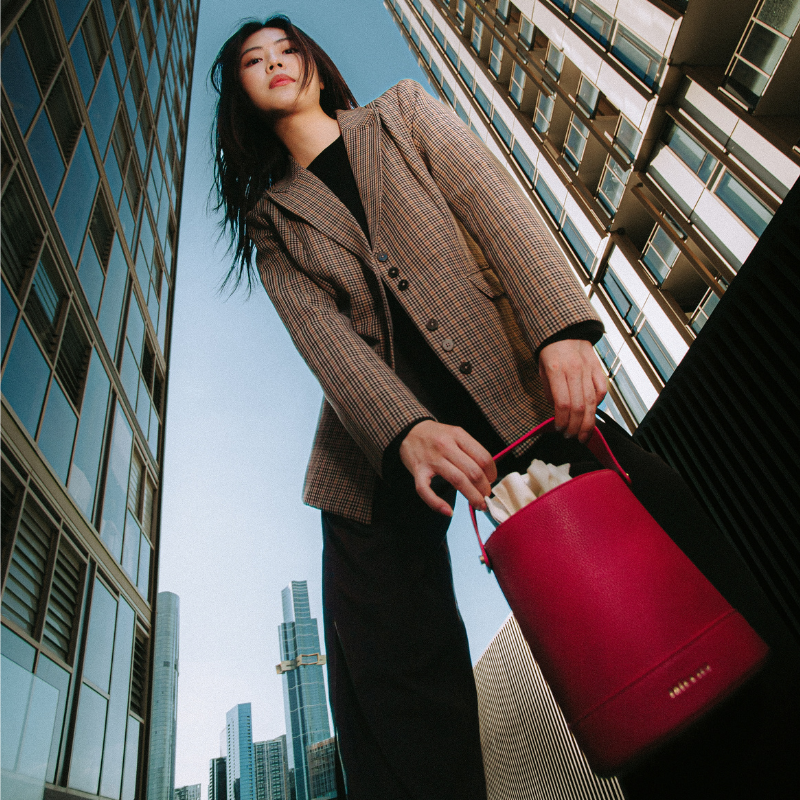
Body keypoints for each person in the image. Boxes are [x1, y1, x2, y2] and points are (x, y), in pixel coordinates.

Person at [210, 15, 800, 800]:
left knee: (641, 543)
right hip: (378, 425)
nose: (276, 63)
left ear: (317, 67)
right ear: (243, 95)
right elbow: (325, 342)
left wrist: (560, 326)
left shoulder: (403, 112)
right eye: (254, 60)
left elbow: (493, 200)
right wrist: (404, 430)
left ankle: (747, 752)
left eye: (289, 49)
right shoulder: (272, 224)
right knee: (377, 632)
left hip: (503, 362)